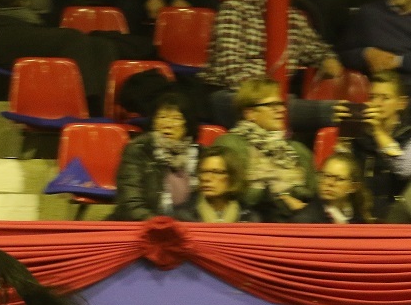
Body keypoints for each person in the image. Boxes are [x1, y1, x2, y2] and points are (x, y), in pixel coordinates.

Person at [199, 0, 343, 132]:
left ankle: (333, 113)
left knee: (279, 105)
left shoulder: (294, 18)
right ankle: (333, 112)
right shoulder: (235, 9)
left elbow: (319, 50)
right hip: (233, 91)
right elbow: (230, 71)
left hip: (277, 96)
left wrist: (327, 60)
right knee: (233, 101)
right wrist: (267, 96)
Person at [213, 78, 317, 220]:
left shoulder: (298, 149)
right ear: (250, 113)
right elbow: (231, 192)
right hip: (248, 220)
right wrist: (281, 199)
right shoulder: (230, 144)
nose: (281, 110)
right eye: (272, 105)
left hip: (297, 221)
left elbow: (314, 194)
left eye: (281, 104)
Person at [110, 92, 199, 220]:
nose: (168, 124)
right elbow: (130, 202)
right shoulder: (138, 150)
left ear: (188, 124)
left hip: (189, 225)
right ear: (153, 122)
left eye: (176, 118)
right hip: (144, 223)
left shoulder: (199, 154)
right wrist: (157, 224)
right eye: (162, 117)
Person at [338, 0, 411, 81]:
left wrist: (397, 61)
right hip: (376, 88)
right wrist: (365, 54)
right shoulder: (368, 14)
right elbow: (343, 55)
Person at [349, 72, 411, 221]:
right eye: (373, 97)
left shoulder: (408, 135)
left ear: (401, 103)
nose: (377, 103)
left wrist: (378, 131)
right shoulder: (358, 136)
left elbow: (404, 169)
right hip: (360, 214)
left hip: (400, 217)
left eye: (385, 98)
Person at [171, 145, 261, 222]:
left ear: (233, 176)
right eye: (203, 172)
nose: (206, 178)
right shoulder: (182, 216)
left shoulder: (249, 217)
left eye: (217, 172)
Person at [292, 153, 372, 224]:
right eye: (326, 176)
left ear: (353, 187)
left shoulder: (359, 216)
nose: (329, 183)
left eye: (339, 179)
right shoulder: (305, 220)